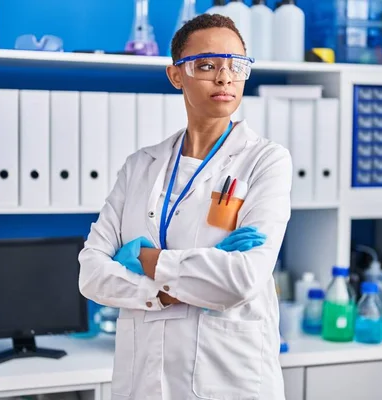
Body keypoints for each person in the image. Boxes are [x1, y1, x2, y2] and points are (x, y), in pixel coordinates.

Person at [78, 13, 292, 400]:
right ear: (176, 75)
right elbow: (91, 273)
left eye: (236, 66)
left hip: (229, 382)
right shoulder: (140, 166)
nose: (225, 78)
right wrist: (167, 292)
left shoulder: (266, 161)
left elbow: (241, 280)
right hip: (143, 381)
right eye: (207, 65)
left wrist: (146, 259)